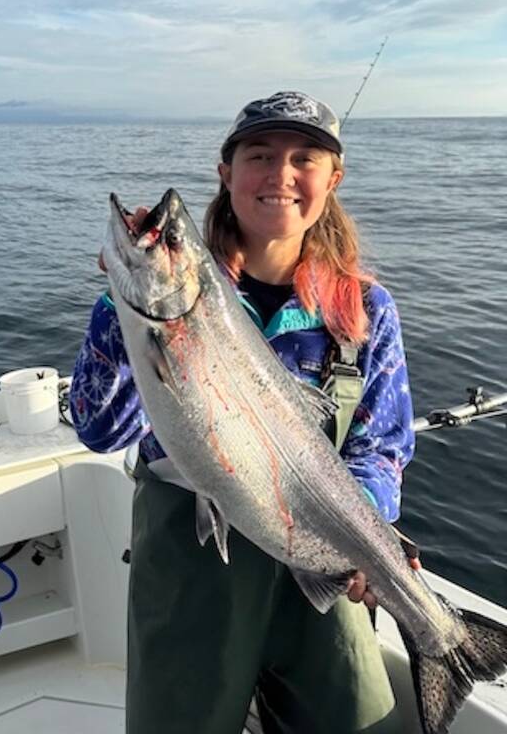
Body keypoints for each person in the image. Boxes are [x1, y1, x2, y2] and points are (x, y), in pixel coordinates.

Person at [70, 91, 417, 733]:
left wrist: (366, 537)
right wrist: (120, 308)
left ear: (332, 179)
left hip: (324, 569)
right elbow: (100, 430)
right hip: (191, 573)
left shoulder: (365, 309)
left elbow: (382, 448)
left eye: (304, 158)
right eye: (259, 155)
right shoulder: (174, 299)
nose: (280, 174)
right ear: (226, 173)